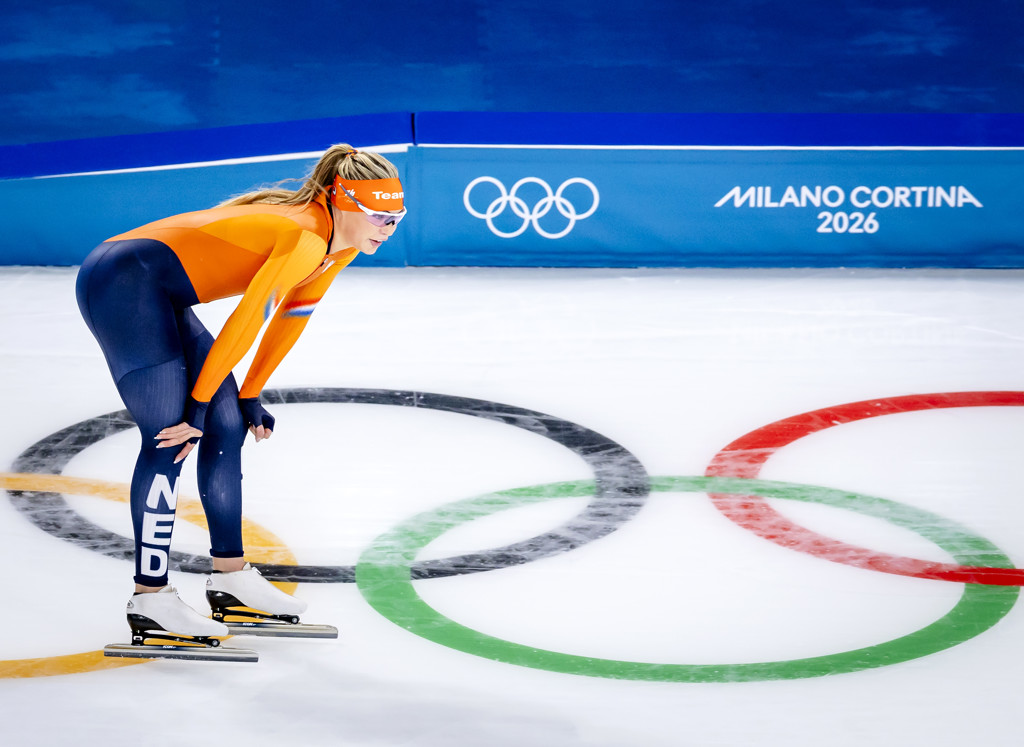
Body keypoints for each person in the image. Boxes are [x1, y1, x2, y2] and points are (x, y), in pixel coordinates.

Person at [76, 143, 406, 645]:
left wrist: (248, 394)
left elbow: (288, 323)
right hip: (121, 281)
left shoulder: (336, 245)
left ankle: (230, 580)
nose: (389, 227)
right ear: (344, 201)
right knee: (172, 434)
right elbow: (246, 321)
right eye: (380, 215)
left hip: (160, 289)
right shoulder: (304, 237)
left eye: (397, 217)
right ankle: (151, 599)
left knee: (228, 425)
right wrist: (197, 406)